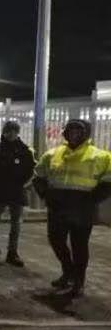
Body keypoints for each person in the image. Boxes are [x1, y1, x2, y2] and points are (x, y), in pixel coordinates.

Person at [34, 119, 111, 297]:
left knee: (79, 246)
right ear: (65, 133)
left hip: (82, 209)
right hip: (57, 207)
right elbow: (38, 176)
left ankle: (78, 281)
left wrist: (91, 200)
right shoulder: (52, 154)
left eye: (78, 131)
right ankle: (68, 272)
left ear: (86, 133)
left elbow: (108, 182)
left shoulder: (102, 156)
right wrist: (46, 195)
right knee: (56, 240)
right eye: (71, 130)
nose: (74, 134)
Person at [0, 121, 36, 266]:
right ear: (4, 132)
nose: (11, 134)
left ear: (17, 132)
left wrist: (24, 185)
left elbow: (31, 170)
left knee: (15, 223)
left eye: (14, 131)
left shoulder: (25, 150)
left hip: (16, 191)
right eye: (8, 131)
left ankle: (12, 252)